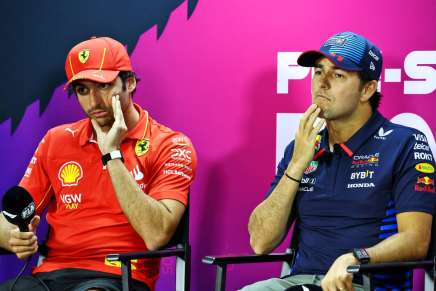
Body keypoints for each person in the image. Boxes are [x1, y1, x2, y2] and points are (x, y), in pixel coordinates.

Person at [0, 36, 197, 291]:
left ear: (130, 82)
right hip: (51, 275)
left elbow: (156, 235)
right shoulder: (56, 140)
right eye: (82, 90)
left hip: (121, 276)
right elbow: (8, 219)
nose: (93, 102)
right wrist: (12, 237)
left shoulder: (170, 145)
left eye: (103, 86)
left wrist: (112, 154)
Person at [242, 32, 435, 291]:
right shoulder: (301, 148)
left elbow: (416, 240)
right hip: (298, 283)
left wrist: (355, 258)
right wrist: (296, 166)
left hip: (361, 283)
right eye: (319, 72)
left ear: (367, 89)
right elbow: (260, 242)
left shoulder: (406, 143)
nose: (322, 83)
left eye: (338, 75)